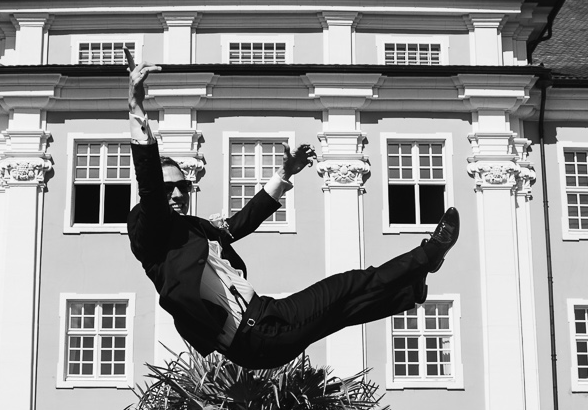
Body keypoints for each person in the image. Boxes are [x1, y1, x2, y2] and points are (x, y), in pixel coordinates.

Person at [125, 56, 460, 369]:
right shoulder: (150, 234)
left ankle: (410, 292)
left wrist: (285, 174)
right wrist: (136, 107)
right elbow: (151, 190)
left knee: (341, 309)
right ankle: (429, 254)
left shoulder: (195, 230)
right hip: (255, 333)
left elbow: (241, 222)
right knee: (349, 285)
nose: (178, 194)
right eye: (169, 188)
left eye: (183, 186)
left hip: (265, 322)